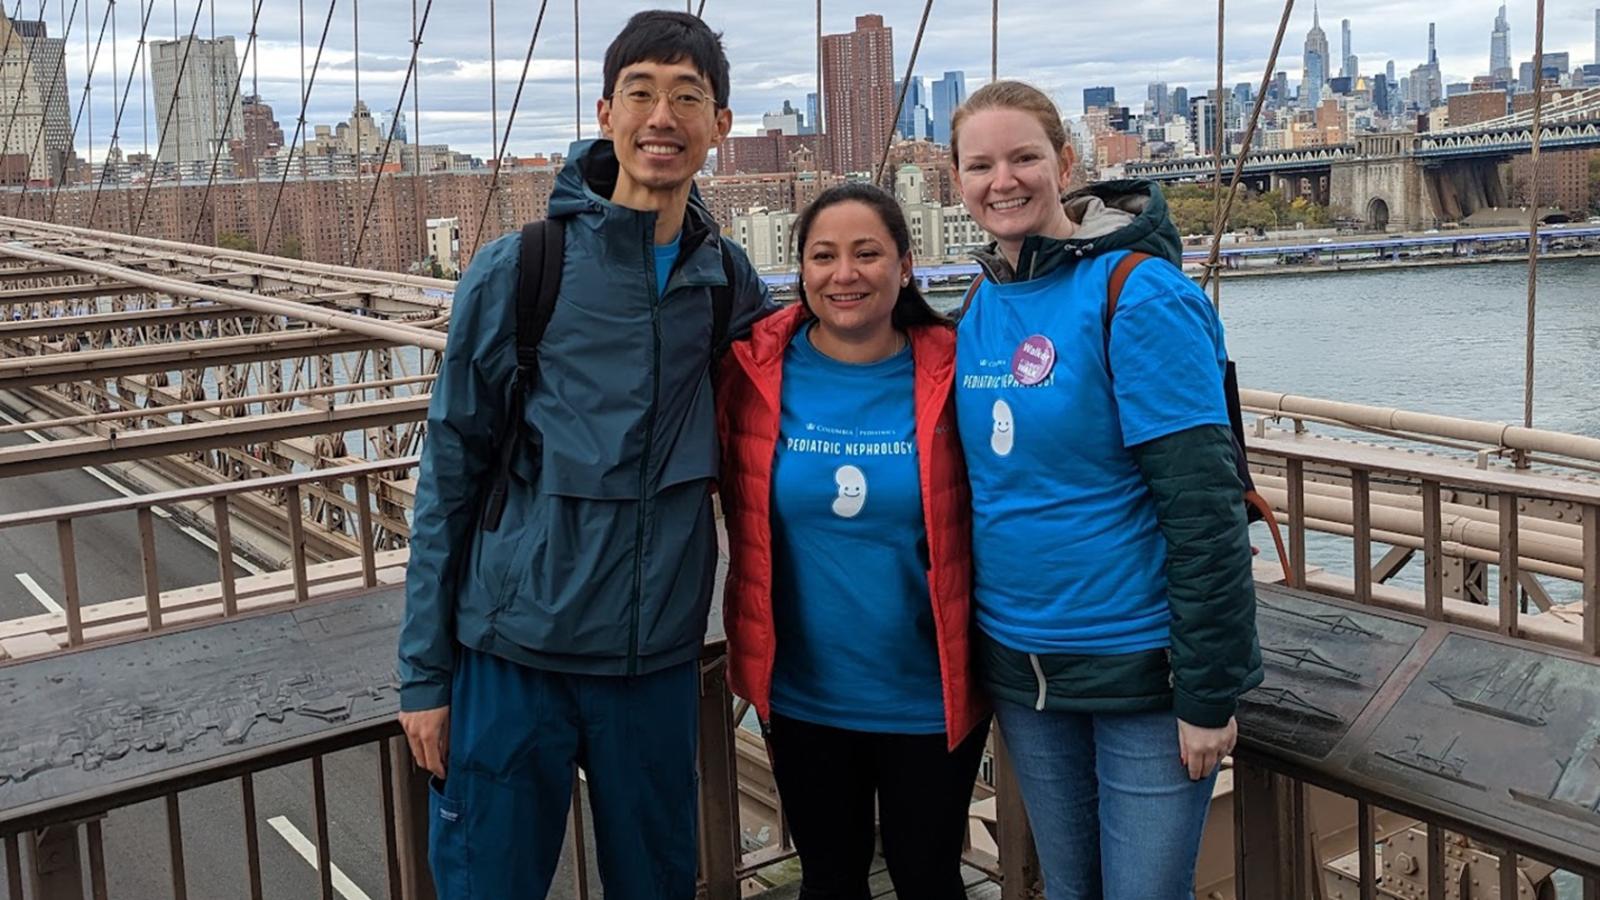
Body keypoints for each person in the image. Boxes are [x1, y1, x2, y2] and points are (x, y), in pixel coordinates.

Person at [397, 11, 772, 898]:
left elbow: (815, 394)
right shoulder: (519, 270)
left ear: (720, 125)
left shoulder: (726, 285)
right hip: (513, 655)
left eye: (688, 98)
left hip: (652, 663)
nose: (662, 117)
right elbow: (448, 476)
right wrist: (425, 675)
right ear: (606, 112)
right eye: (641, 93)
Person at [948, 80, 1263, 900]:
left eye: (1023, 158)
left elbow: (1204, 509)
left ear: (1065, 164)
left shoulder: (1140, 294)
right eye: (980, 165)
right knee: (1068, 890)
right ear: (958, 181)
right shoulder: (982, 301)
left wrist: (1208, 692)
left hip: (1141, 672)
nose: (1003, 181)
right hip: (1023, 668)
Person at [716, 183, 989, 899]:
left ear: (906, 265)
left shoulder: (961, 368)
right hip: (803, 693)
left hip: (929, 693)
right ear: (800, 270)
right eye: (823, 256)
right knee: (830, 880)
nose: (845, 274)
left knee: (928, 878)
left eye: (867, 254)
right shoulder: (748, 372)